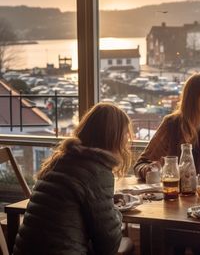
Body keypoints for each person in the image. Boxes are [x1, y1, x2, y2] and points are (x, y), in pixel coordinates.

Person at [13, 103, 133, 255]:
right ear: (113, 138)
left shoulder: (60, 160)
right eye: (125, 134)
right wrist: (115, 211)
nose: (126, 141)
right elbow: (109, 246)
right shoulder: (96, 171)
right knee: (127, 244)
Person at [133, 72, 200, 183]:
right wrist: (151, 169)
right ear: (192, 96)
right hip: (179, 195)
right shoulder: (171, 124)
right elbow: (140, 164)